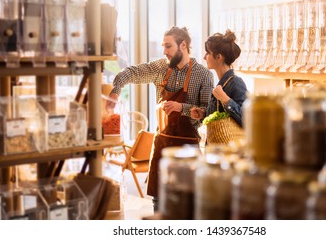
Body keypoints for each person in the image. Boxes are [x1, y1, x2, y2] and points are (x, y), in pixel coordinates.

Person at [106, 26, 214, 210]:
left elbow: (206, 113)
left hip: (188, 149)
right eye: (163, 46)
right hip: (162, 144)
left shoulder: (203, 75)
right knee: (158, 201)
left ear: (183, 45)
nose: (164, 51)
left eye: (168, 46)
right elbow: (132, 72)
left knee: (186, 202)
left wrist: (182, 108)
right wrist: (115, 91)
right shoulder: (161, 68)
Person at [190, 29, 248, 139]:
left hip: (229, 153)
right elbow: (220, 119)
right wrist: (203, 115)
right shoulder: (221, 84)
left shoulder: (236, 83)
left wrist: (226, 100)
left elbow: (248, 120)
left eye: (208, 53)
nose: (204, 57)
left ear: (218, 57)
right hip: (215, 152)